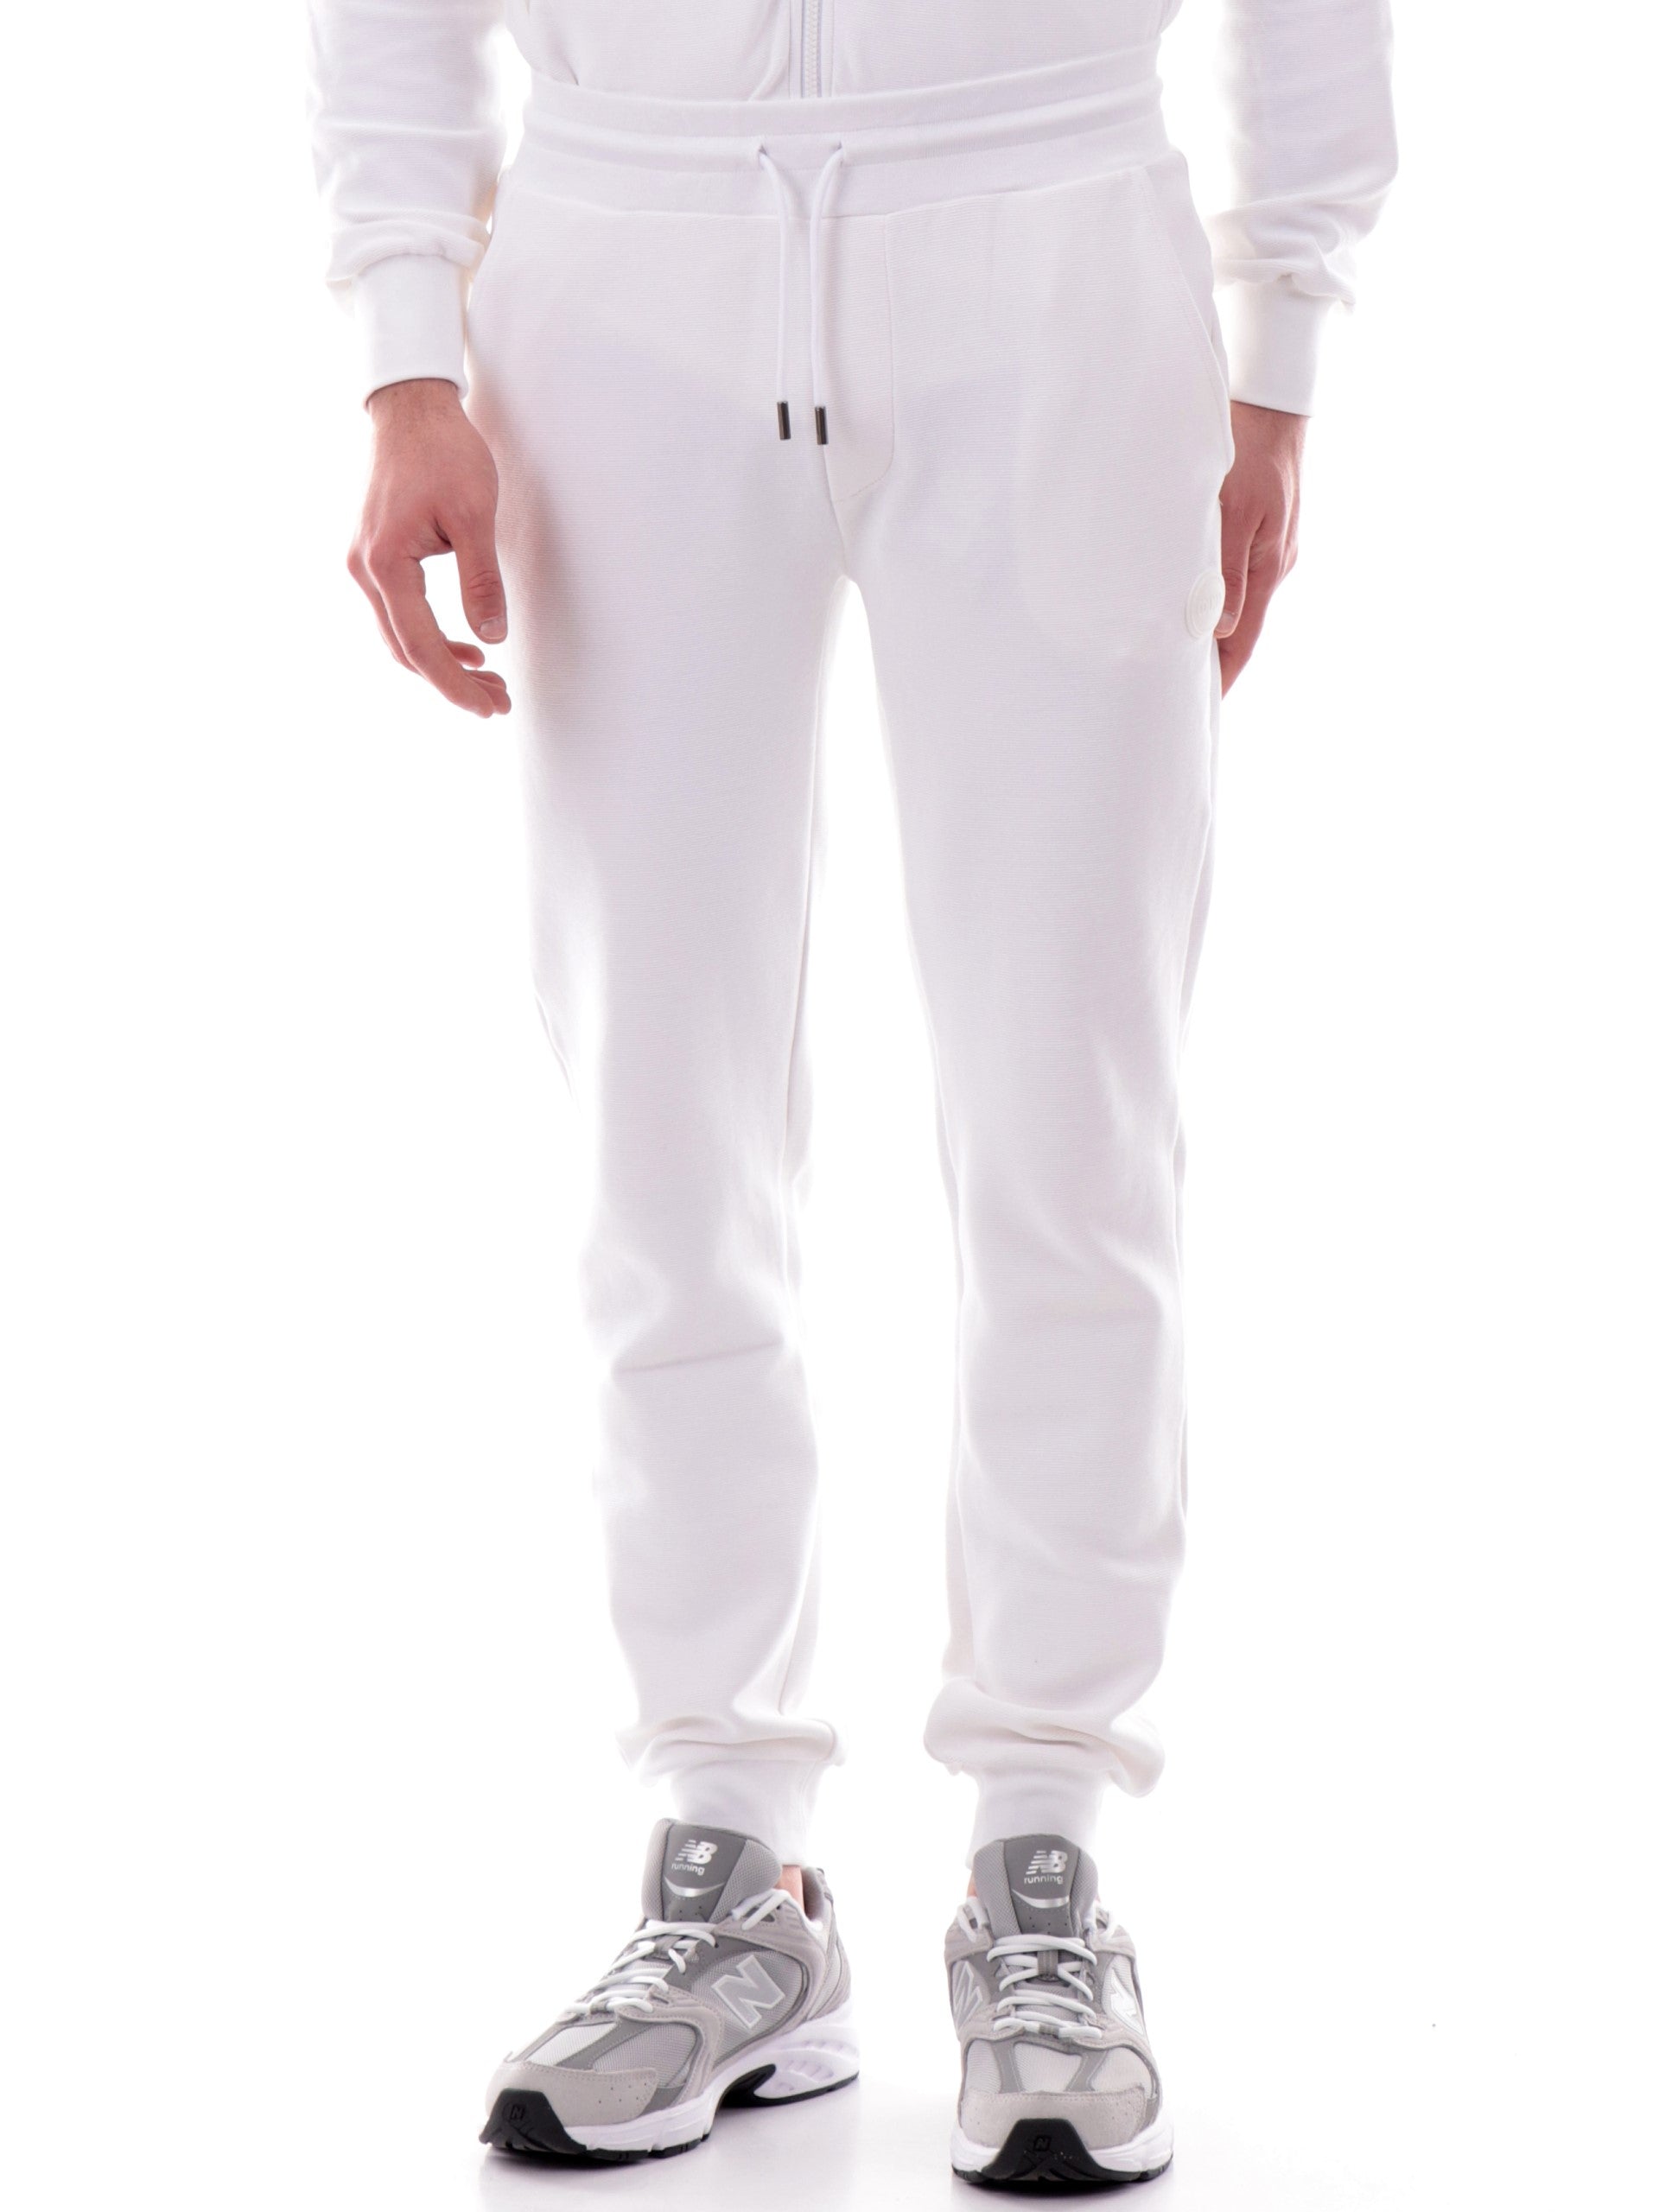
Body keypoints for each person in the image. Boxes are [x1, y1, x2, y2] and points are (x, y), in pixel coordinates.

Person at [308, 1, 1394, 2185]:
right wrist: (407, 346)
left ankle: (1042, 1850)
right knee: (661, 1121)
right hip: (620, 272)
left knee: (1071, 1114)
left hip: (1051, 243)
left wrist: (1283, 336)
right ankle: (735, 1855)